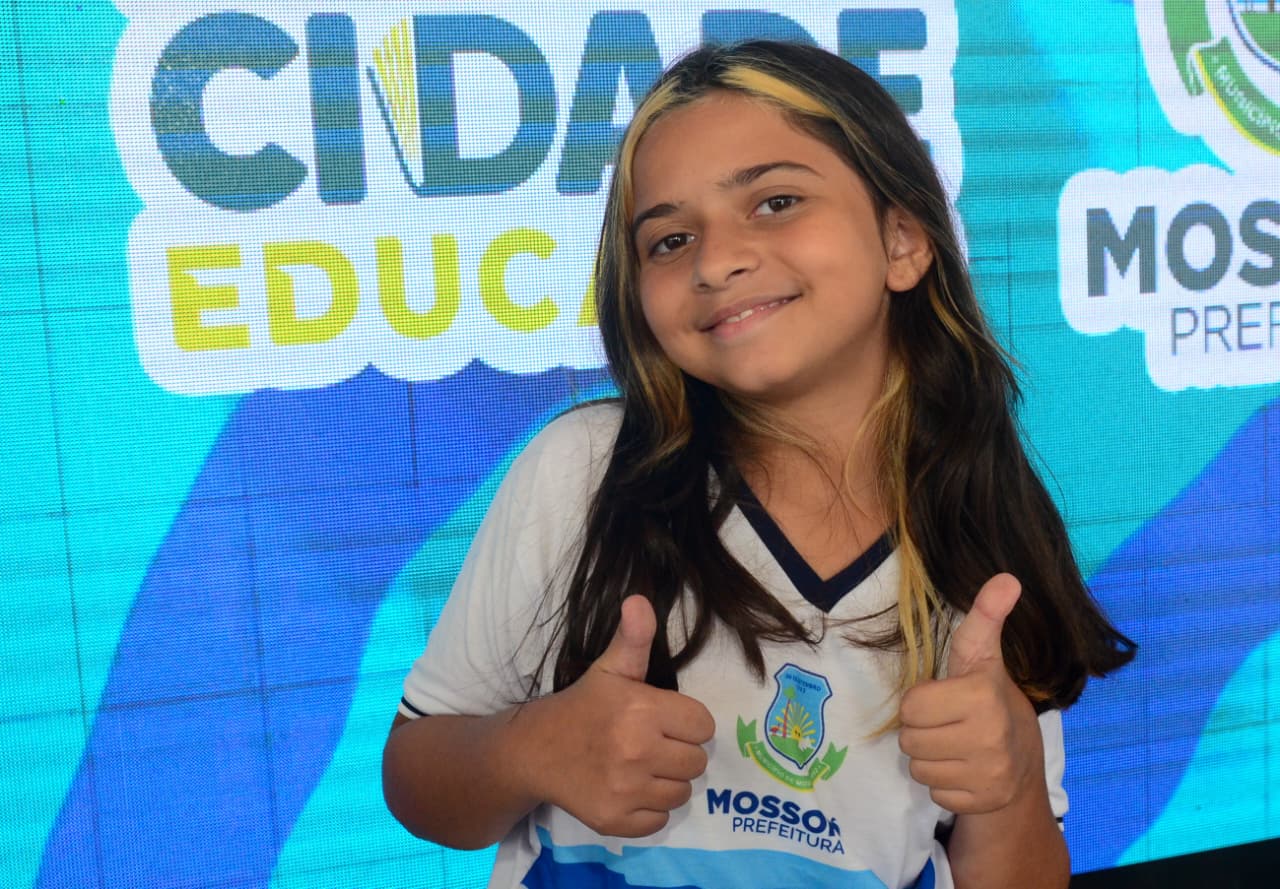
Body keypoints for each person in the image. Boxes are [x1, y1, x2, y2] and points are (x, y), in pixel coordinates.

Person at [382, 40, 1135, 889]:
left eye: (776, 201)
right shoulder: (584, 471)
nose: (715, 261)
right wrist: (534, 748)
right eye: (669, 240)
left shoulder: (982, 521)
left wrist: (1009, 790)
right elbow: (417, 779)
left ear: (902, 239)